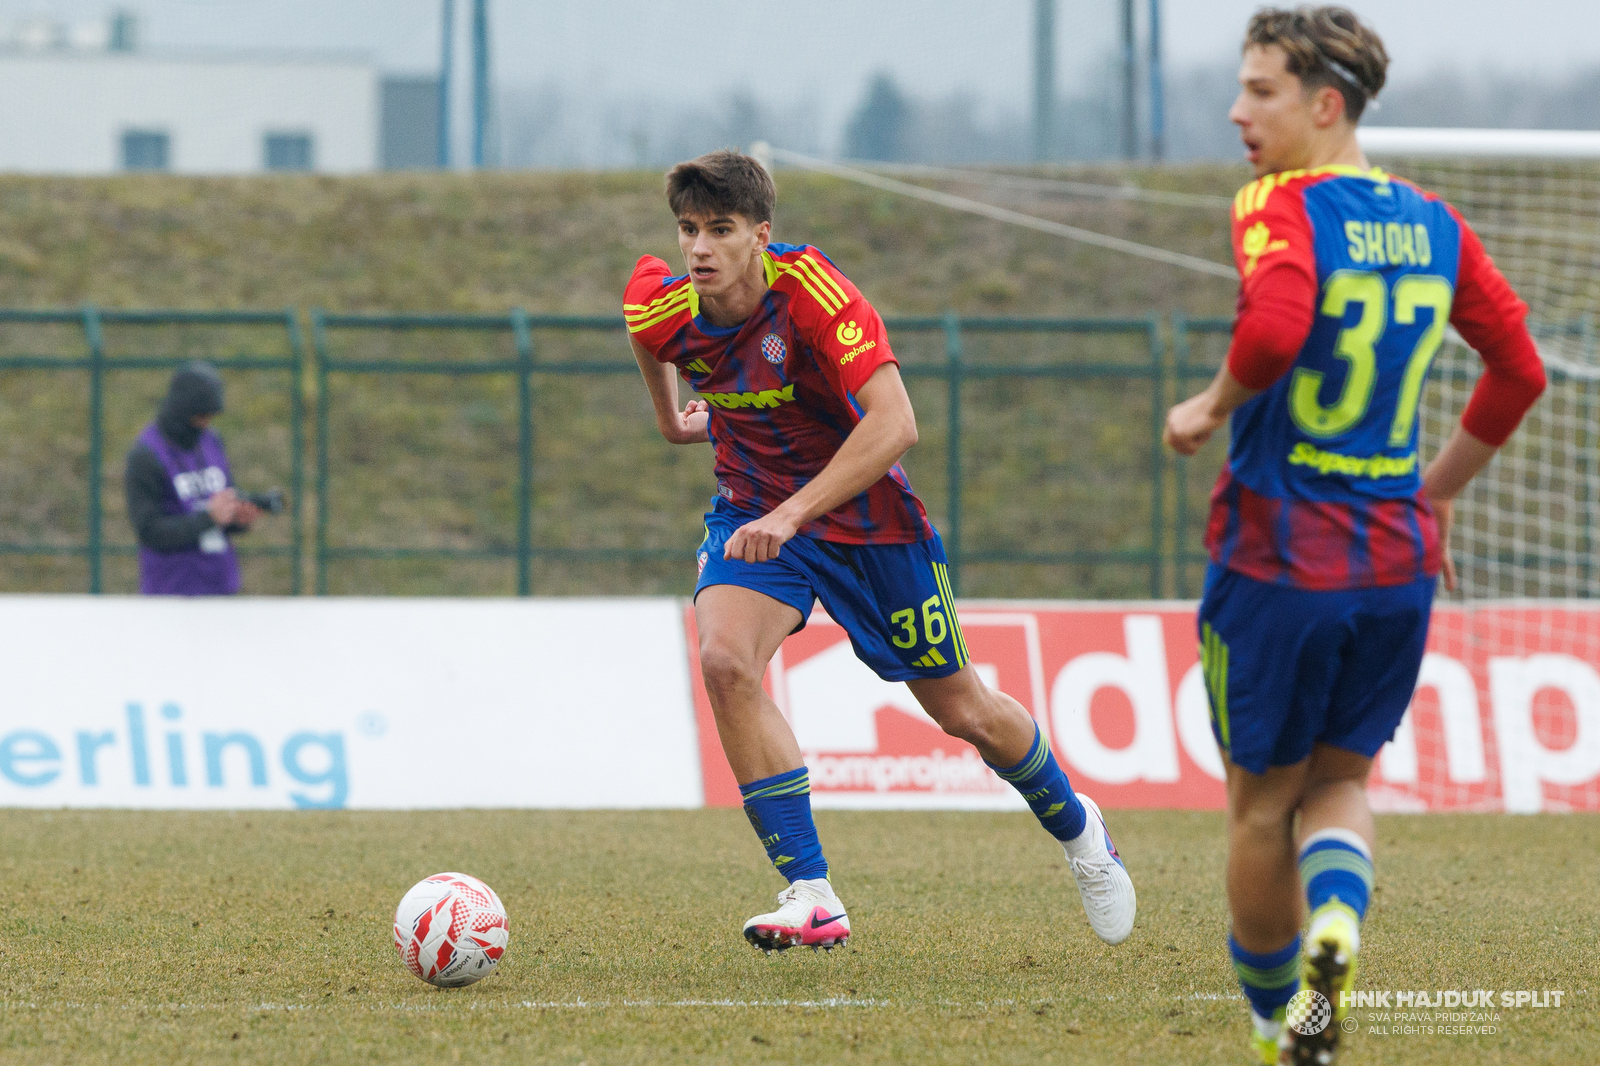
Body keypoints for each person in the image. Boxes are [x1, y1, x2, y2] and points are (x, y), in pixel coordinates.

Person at [625, 150, 1136, 953]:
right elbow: (648, 338)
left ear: (762, 234)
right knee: (725, 661)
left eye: (720, 230)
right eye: (689, 229)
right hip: (752, 514)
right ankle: (812, 893)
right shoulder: (664, 307)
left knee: (963, 709)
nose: (699, 249)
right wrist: (670, 420)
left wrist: (795, 513)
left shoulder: (818, 297)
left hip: (868, 524)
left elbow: (896, 424)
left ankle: (1081, 832)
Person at [1164, 8, 1546, 1063]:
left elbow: (1279, 323)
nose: (1238, 113)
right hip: (1393, 564)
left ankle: (1270, 1021)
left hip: (1279, 561)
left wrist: (1208, 403)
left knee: (1256, 808)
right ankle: (1336, 928)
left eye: (1261, 91)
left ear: (1323, 104)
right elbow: (1520, 370)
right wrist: (1433, 495)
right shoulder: (1432, 220)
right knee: (1339, 786)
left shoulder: (1278, 205)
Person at [125, 360, 261, 595]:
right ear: (183, 410)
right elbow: (149, 531)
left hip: (220, 586)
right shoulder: (146, 455)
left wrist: (238, 518)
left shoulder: (211, 441)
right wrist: (208, 518)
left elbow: (224, 504)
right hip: (172, 592)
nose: (205, 423)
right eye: (200, 416)